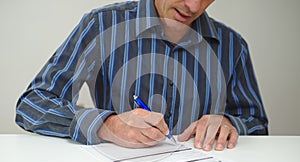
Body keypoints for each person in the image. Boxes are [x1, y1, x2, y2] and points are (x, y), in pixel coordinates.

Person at [15, 0, 268, 151]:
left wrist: (230, 124)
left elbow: (257, 125)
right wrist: (106, 124)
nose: (193, 6)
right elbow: (32, 105)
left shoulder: (233, 46)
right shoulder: (102, 25)